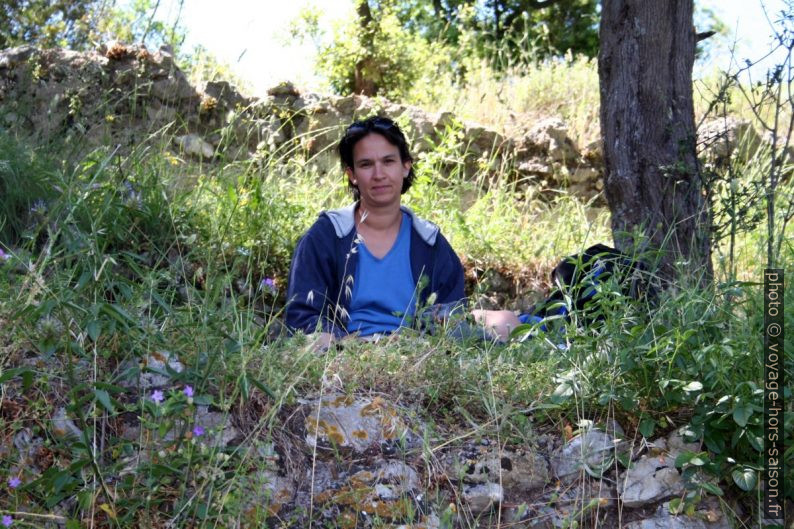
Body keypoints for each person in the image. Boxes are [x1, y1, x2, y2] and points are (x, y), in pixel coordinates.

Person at [285, 116, 466, 348]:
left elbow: (453, 316)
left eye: (388, 161)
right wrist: (349, 344)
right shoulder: (326, 236)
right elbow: (302, 317)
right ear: (351, 174)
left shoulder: (430, 243)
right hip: (341, 360)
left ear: (405, 167)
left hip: (416, 361)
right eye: (366, 164)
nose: (378, 174)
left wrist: (409, 344)